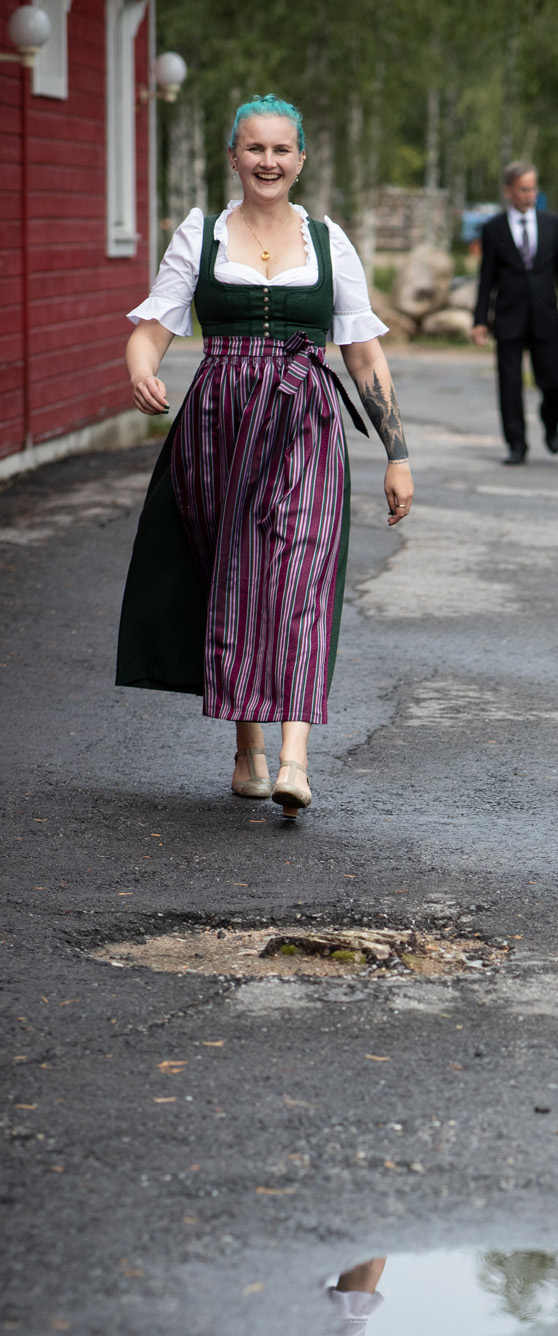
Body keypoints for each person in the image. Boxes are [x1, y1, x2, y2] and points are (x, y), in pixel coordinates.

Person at [116, 96, 413, 816]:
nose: (268, 161)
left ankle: (294, 760)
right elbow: (153, 327)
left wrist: (397, 453)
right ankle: (247, 746)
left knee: (301, 574)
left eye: (282, 150)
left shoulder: (329, 241)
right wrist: (140, 368)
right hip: (218, 421)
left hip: (306, 418)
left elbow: (363, 354)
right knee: (235, 573)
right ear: (233, 157)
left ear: (300, 159)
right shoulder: (201, 234)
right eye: (255, 148)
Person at [472, 161, 558, 465]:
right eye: (523, 189)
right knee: (509, 384)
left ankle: (550, 422)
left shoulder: (552, 224)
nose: (530, 195)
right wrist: (480, 321)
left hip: (545, 317)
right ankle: (516, 444)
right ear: (508, 191)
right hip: (508, 317)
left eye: (533, 189)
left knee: (554, 382)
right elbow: (486, 279)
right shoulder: (493, 228)